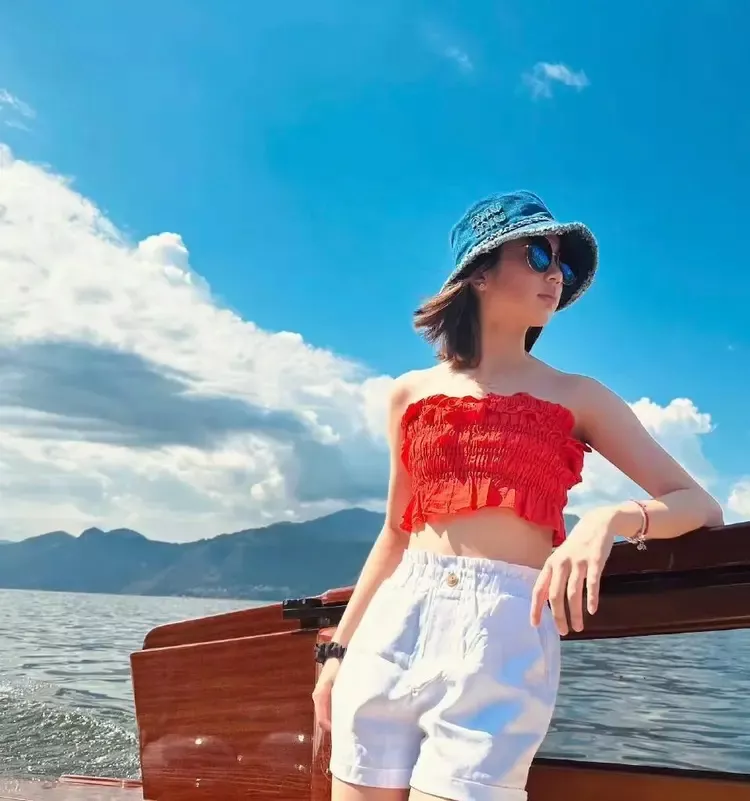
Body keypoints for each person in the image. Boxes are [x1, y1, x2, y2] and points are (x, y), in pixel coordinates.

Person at [311, 190, 723, 801]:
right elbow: (396, 533)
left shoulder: (578, 396)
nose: (555, 275)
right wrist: (337, 654)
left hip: (501, 634)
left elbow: (699, 505)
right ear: (478, 273)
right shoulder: (409, 394)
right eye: (537, 254)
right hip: (393, 627)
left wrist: (608, 520)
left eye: (564, 265)